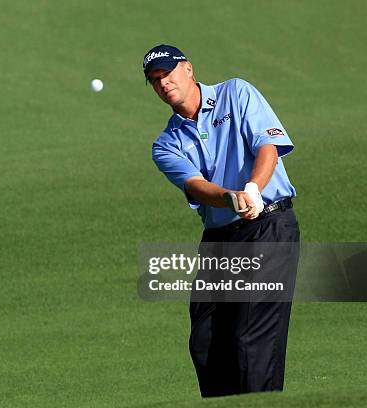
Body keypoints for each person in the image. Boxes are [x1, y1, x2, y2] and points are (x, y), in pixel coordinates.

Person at [144, 44, 300, 397]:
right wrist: (231, 198)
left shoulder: (236, 93)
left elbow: (267, 147)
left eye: (168, 73)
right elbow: (198, 187)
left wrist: (252, 190)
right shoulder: (165, 144)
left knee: (251, 340)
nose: (163, 83)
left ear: (188, 69)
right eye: (155, 80)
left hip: (269, 227)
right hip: (220, 238)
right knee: (206, 340)